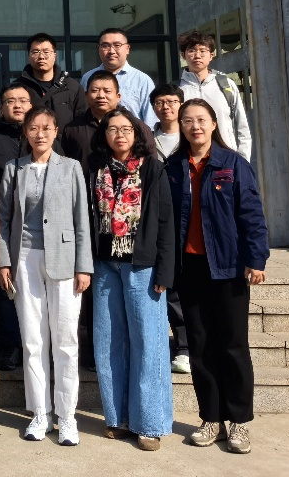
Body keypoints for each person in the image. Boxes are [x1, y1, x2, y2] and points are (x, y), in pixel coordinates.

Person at [167, 99, 269, 455]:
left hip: (227, 266)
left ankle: (238, 421)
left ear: (213, 123)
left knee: (233, 345)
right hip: (190, 269)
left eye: (201, 120)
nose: (195, 126)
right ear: (181, 127)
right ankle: (211, 417)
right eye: (188, 121)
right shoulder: (173, 167)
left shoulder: (233, 164)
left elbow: (252, 214)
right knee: (199, 346)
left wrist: (256, 259)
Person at [0, 105, 92, 446]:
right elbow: (2, 218)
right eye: (33, 128)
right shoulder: (15, 168)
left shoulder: (71, 167)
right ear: (25, 132)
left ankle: (67, 416)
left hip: (64, 259)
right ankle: (40, 413)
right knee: (33, 340)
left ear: (56, 131)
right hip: (25, 259)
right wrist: (4, 262)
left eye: (46, 128)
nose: (40, 134)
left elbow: (82, 218)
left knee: (65, 340)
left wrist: (84, 265)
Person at [87, 106, 175, 451]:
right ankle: (117, 417)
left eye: (126, 129)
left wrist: (165, 270)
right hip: (105, 265)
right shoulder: (95, 168)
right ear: (104, 135)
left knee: (148, 343)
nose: (119, 135)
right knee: (109, 341)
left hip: (143, 266)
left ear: (137, 134)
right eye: (113, 129)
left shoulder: (152, 168)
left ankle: (150, 423)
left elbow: (165, 221)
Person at [0, 82, 33, 372]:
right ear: (1, 108)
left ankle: (35, 346)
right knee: (6, 284)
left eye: (23, 100)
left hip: (38, 222)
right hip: (3, 221)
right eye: (11, 101)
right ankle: (10, 346)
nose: (17, 105)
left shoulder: (43, 135)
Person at [149, 82, 191, 376]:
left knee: (186, 287)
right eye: (160, 103)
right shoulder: (147, 139)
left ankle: (189, 345)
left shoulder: (191, 136)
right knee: (167, 284)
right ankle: (177, 346)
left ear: (181, 104)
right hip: (158, 219)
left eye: (172, 102)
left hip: (188, 218)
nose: (166, 107)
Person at [177, 30, 253, 160]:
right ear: (183, 55)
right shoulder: (177, 90)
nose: (197, 56)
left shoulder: (226, 85)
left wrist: (242, 160)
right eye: (192, 51)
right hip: (189, 160)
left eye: (203, 51)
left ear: (211, 55)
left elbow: (242, 126)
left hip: (226, 159)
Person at [62, 70, 154, 173]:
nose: (101, 95)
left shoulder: (137, 127)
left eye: (107, 91)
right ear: (86, 95)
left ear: (118, 96)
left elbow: (152, 167)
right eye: (95, 90)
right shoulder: (72, 129)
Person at [80, 28, 157, 125]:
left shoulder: (142, 80)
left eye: (117, 45)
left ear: (127, 48)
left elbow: (150, 120)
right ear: (99, 49)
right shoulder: (87, 78)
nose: (111, 51)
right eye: (105, 46)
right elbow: (82, 112)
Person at [16, 32, 84, 131]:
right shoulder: (18, 87)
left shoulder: (72, 87)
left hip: (64, 141)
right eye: (35, 52)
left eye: (46, 52)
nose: (41, 57)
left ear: (55, 55)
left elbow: (81, 122)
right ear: (29, 55)